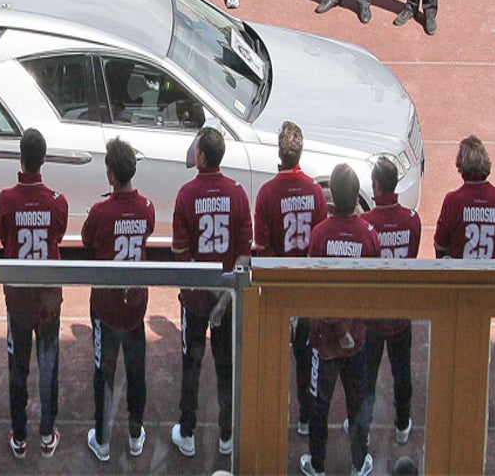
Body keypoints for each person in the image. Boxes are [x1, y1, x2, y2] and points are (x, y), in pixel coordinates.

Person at [171, 126, 252, 459]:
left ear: (201, 156)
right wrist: (222, 297)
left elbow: (180, 253)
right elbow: (245, 253)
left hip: (195, 299)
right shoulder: (236, 193)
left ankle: (188, 431)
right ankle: (226, 434)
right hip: (227, 298)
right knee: (225, 367)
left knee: (191, 363)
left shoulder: (187, 194)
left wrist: (205, 292)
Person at [301, 164, 379, 476]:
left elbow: (315, 287)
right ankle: (359, 462)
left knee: (320, 403)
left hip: (325, 339)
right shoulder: (369, 235)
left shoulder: (320, 233)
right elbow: (371, 289)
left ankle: (317, 465)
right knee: (357, 402)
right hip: (357, 338)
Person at [81, 137, 155, 463]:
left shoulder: (100, 211)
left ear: (111, 174)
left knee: (104, 372)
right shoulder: (147, 207)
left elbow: (86, 240)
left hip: (106, 305)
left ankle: (102, 438)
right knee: (136, 371)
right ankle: (136, 434)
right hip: (136, 303)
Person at [253, 121, 328, 437]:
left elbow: (263, 244)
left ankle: (271, 416)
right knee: (305, 357)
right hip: (305, 287)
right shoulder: (314, 191)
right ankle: (304, 417)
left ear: (279, 154)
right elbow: (321, 237)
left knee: (272, 354)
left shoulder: (268, 193)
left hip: (279, 286)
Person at [0, 128, 68, 459]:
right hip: (49, 299)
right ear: (43, 160)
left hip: (19, 300)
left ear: (21, 158)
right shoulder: (57, 202)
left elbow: (3, 235)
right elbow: (59, 234)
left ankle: (20, 435)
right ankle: (46, 432)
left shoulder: (6, 199)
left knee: (18, 366)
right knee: (48, 364)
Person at [361, 156, 422, 449]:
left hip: (373, 311)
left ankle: (364, 426)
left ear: (375, 185)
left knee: (368, 374)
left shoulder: (366, 223)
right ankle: (402, 424)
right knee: (402, 371)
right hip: (400, 309)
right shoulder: (412, 219)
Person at [434, 135, 495, 259]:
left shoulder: (452, 200)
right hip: (490, 274)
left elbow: (440, 245)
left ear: (460, 165)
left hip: (459, 274)